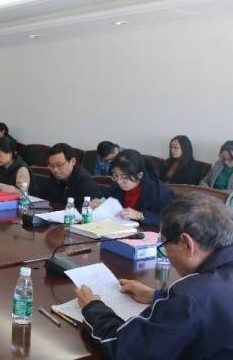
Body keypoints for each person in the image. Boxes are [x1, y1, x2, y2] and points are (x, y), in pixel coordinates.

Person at [76, 194, 233, 359]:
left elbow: (128, 349)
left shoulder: (190, 295)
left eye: (163, 244)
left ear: (188, 244)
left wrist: (92, 307)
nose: (165, 253)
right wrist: (156, 296)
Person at [92, 149, 174, 225]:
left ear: (139, 175)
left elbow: (170, 219)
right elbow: (107, 200)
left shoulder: (157, 191)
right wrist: (100, 203)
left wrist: (141, 215)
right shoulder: (117, 186)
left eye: (124, 177)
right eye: (116, 176)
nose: (119, 181)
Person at [38, 143, 100, 208]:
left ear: (73, 162)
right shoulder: (54, 174)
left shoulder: (84, 180)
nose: (55, 170)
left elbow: (84, 209)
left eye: (59, 165)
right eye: (51, 165)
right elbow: (43, 197)